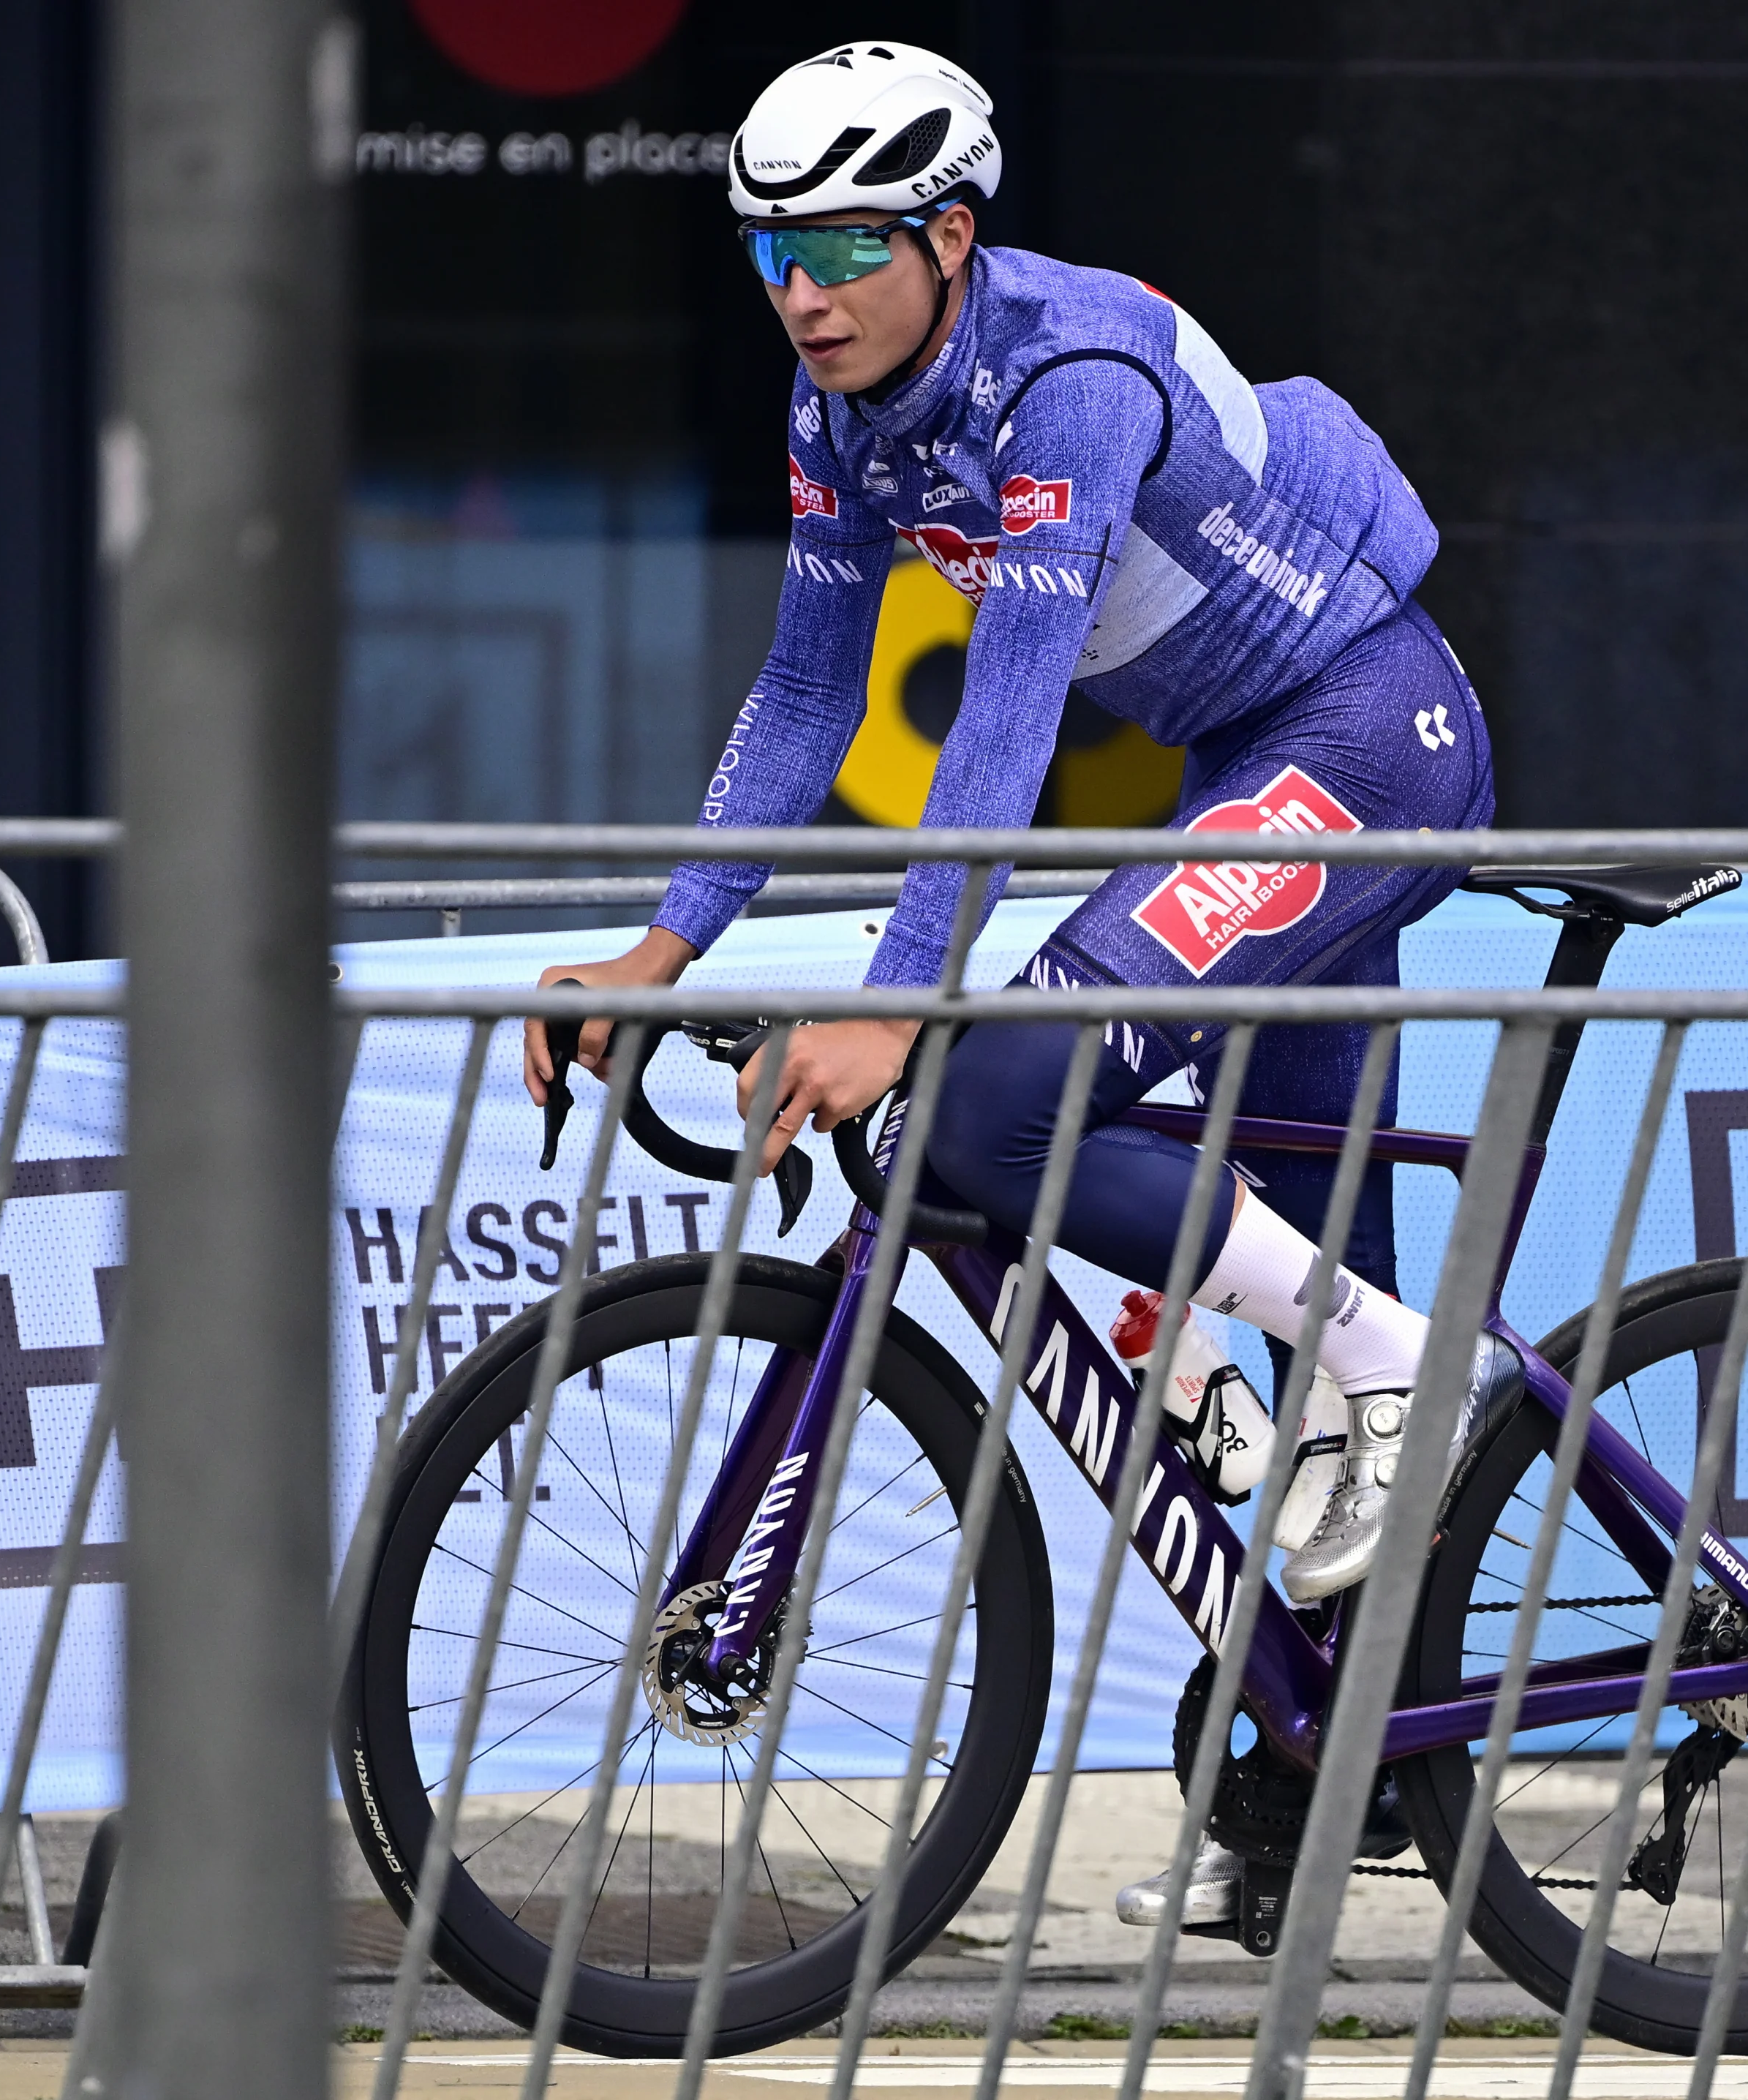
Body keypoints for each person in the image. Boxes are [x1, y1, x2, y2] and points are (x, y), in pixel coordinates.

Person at [523, 41, 1515, 1926]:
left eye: (837, 248)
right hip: (1250, 762)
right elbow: (812, 692)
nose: (800, 296)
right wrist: (665, 944)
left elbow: (1001, 721)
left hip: (1364, 733)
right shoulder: (845, 413)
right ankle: (1319, 1789)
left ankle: (1410, 1374)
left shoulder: (1063, 378)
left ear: (950, 238)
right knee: (1299, 1351)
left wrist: (902, 996)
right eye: (765, 256)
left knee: (989, 1097)